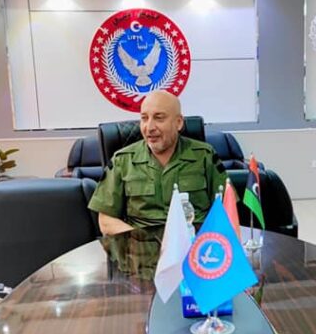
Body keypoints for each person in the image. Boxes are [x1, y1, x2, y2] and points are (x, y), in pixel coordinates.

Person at [88, 90, 227, 235]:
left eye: (159, 118)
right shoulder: (122, 160)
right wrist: (141, 238)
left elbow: (227, 208)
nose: (149, 127)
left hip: (195, 243)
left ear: (179, 123)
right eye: (144, 118)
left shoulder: (204, 155)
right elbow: (106, 220)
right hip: (142, 244)